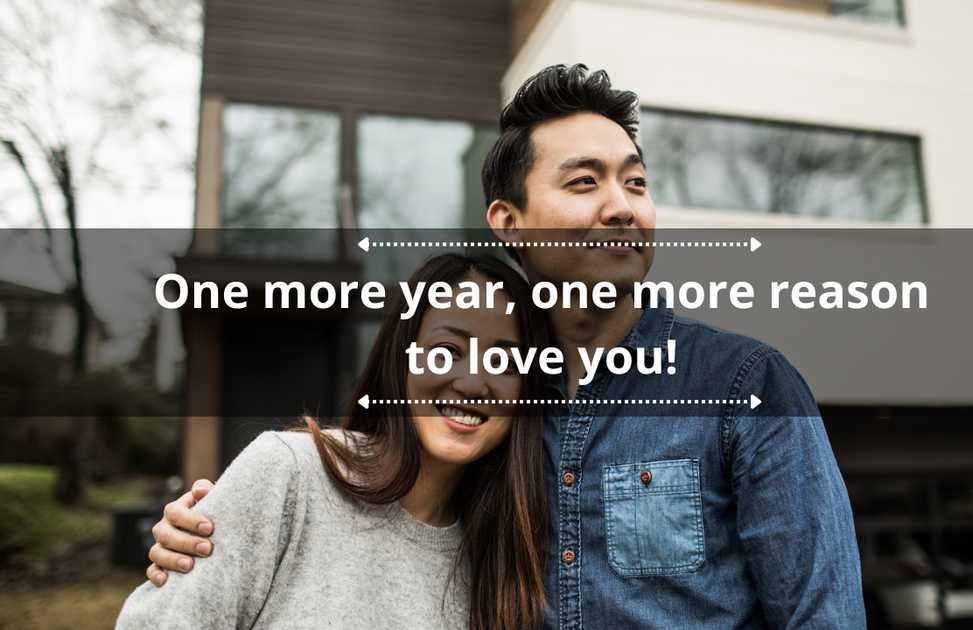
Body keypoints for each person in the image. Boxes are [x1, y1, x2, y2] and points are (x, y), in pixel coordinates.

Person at [145, 64, 866, 628]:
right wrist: (211, 534)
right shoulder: (489, 414)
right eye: (584, 182)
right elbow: (378, 511)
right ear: (508, 221)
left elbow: (821, 614)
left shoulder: (744, 384)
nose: (622, 205)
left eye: (637, 183)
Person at [117, 254, 550, 630]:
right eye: (448, 350)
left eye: (503, 361)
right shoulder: (290, 475)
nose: (474, 382)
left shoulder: (506, 561)